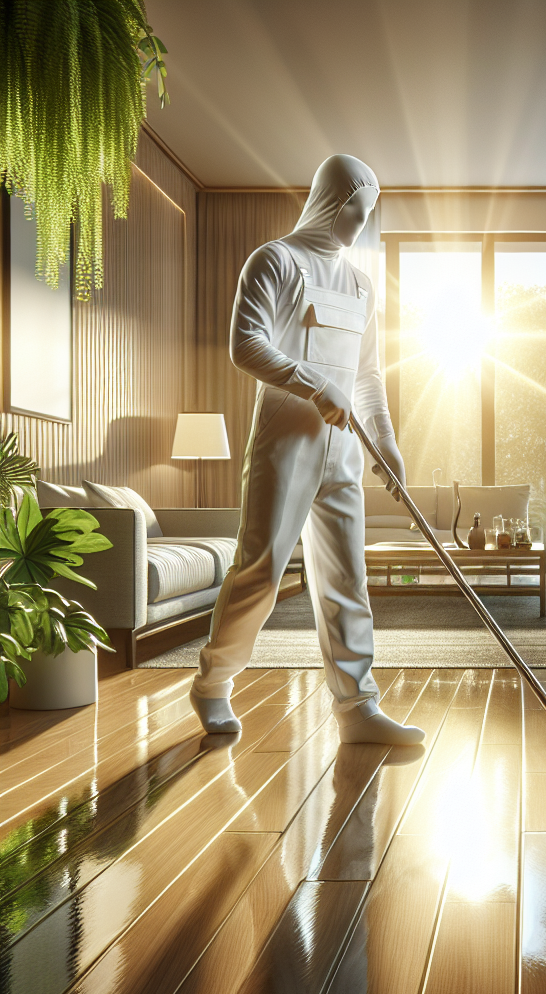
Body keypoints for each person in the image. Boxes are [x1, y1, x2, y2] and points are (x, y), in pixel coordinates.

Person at [189, 154, 424, 746]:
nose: (357, 226)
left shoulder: (362, 284)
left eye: (366, 216)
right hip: (284, 443)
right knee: (262, 569)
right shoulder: (275, 261)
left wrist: (387, 444)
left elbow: (368, 376)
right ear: (328, 199)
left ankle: (358, 707)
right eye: (351, 212)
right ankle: (213, 684)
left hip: (344, 449)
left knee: (348, 576)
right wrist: (317, 386)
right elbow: (247, 345)